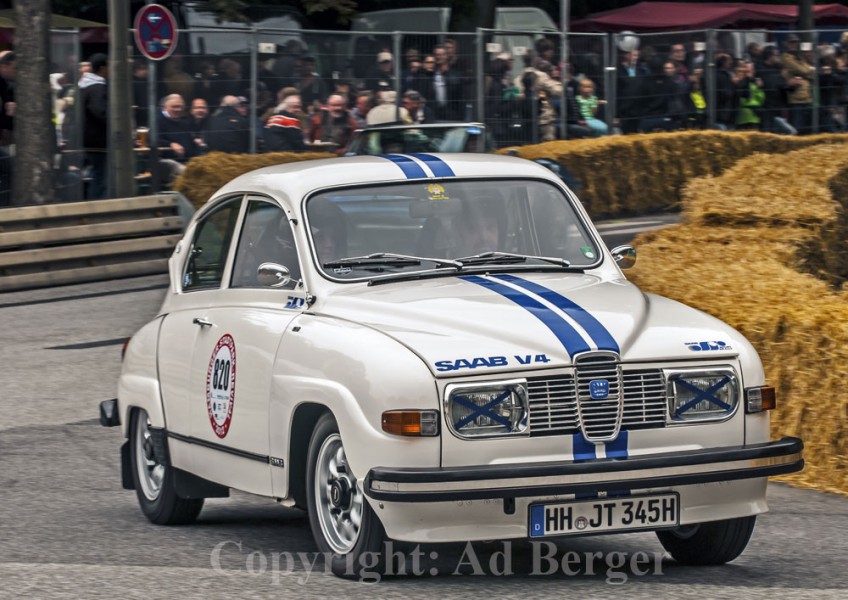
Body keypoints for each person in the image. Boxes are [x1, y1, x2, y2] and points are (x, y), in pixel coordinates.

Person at [80, 53, 109, 199]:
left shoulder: (83, 87)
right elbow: (100, 111)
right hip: (97, 140)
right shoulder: (97, 88)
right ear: (103, 68)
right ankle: (97, 204)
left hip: (85, 138)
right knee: (100, 176)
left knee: (93, 174)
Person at [156, 93, 200, 186]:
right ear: (165, 107)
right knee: (187, 173)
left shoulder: (184, 123)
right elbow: (154, 139)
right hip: (167, 161)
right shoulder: (158, 121)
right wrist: (170, 144)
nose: (178, 110)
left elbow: (191, 143)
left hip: (187, 160)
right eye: (174, 107)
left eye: (180, 107)